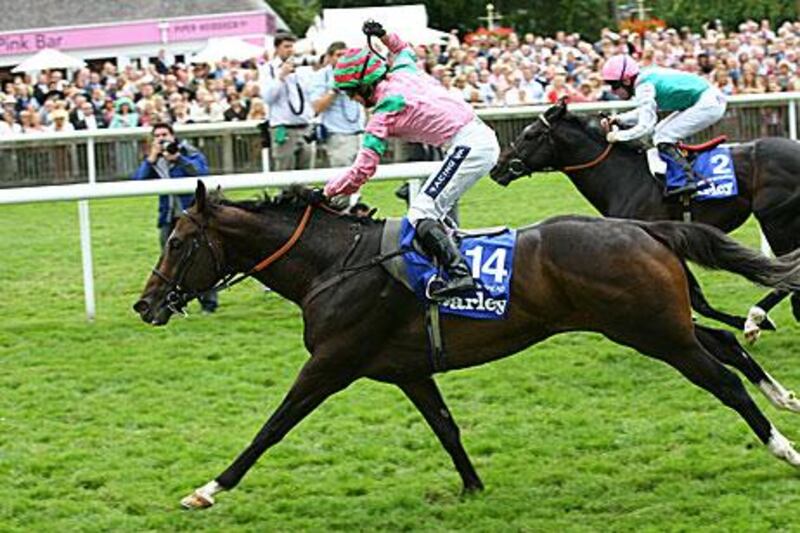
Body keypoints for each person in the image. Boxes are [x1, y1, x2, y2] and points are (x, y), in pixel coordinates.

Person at [324, 21, 500, 300]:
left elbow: (364, 169)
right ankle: (451, 265)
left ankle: (460, 276)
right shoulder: (403, 71)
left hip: (470, 146)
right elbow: (402, 48)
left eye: (352, 92)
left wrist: (329, 191)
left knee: (421, 212)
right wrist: (382, 34)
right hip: (474, 139)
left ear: (365, 85)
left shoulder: (383, 112)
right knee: (430, 211)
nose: (354, 100)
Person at [601, 54, 727, 197]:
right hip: (705, 99)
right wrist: (618, 119)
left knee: (662, 136)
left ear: (626, 80)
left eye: (614, 85)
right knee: (660, 132)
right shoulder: (643, 80)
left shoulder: (644, 87)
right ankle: (675, 173)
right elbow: (644, 112)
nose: (612, 91)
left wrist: (619, 136)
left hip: (707, 103)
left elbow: (645, 127)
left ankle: (686, 180)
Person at [132, 122, 218, 313]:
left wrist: (178, 159)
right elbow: (137, 182)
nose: (162, 139)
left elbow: (202, 173)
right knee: (170, 264)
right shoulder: (155, 158)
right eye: (157, 136)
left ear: (173, 136)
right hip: (168, 216)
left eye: (165, 134)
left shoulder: (188, 151)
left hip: (193, 217)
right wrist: (150, 160)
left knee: (202, 259)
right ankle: (173, 303)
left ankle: (209, 303)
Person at [260, 32, 313, 170]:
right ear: (277, 48)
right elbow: (267, 97)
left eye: (292, 46)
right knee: (285, 172)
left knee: (306, 172)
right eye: (286, 46)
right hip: (283, 128)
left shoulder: (302, 68)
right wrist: (281, 77)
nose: (290, 50)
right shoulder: (268, 69)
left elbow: (310, 94)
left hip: (304, 126)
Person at [310, 41, 366, 168]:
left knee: (360, 177)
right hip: (338, 134)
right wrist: (334, 89)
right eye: (338, 55)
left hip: (359, 132)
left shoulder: (356, 73)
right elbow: (317, 107)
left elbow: (366, 102)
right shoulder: (321, 76)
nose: (343, 59)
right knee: (343, 177)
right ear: (329, 58)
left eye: (346, 55)